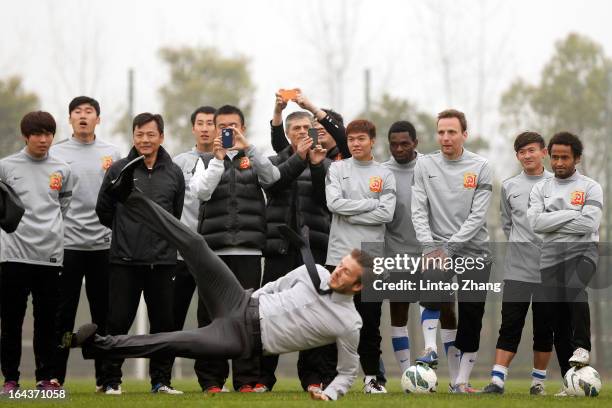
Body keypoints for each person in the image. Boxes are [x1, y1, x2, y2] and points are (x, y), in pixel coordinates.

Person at [67, 162, 364, 401]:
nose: (338, 271)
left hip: (240, 339)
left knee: (167, 341)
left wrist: (330, 394)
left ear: (358, 286)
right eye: (341, 265)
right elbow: (278, 285)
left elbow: (348, 371)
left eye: (346, 273)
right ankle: (129, 196)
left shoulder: (348, 322)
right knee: (195, 243)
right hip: (240, 300)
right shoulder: (319, 273)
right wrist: (252, 298)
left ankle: (98, 345)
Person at [189, 105, 280, 392]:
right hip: (212, 253)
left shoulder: (253, 158)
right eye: (223, 126)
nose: (228, 131)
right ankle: (211, 380)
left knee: (247, 318)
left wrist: (248, 148)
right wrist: (218, 160)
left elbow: (273, 178)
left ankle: (245, 380)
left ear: (242, 127)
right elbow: (201, 192)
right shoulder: (205, 161)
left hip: (249, 253)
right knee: (211, 317)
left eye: (234, 126)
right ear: (215, 130)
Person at [95, 113, 185, 395]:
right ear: (133, 136)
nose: (145, 140)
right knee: (118, 321)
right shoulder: (119, 169)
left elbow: (175, 213)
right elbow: (103, 210)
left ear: (161, 136)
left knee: (164, 325)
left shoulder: (174, 172)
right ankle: (111, 381)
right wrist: (126, 230)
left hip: (163, 261)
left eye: (150, 134)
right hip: (124, 260)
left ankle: (161, 381)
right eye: (139, 134)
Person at [411, 109, 493, 393]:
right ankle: (430, 349)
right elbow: (418, 209)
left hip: (475, 252)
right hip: (435, 250)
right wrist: (429, 247)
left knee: (472, 315)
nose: (445, 137)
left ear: (464, 135)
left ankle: (461, 382)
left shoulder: (481, 166)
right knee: (432, 293)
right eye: (441, 132)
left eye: (452, 132)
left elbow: (477, 216)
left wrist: (449, 248)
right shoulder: (424, 165)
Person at [49, 96, 122, 391]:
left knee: (102, 316)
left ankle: (105, 380)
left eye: (88, 112)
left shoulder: (112, 153)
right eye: (77, 112)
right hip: (67, 246)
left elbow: (119, 198)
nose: (83, 116)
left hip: (103, 246)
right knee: (62, 315)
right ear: (70, 119)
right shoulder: (56, 154)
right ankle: (54, 376)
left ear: (98, 119)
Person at [0, 111, 73, 393]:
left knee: (47, 323)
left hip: (50, 256)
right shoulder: (5, 167)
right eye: (37, 134)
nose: (43, 140)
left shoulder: (63, 169)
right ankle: (10, 380)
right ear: (25, 136)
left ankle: (45, 379)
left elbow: (61, 208)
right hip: (13, 255)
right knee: (11, 323)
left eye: (48, 134)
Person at [526, 132, 602, 397]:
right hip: (550, 259)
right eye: (555, 157)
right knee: (557, 322)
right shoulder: (540, 189)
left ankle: (582, 347)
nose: (558, 162)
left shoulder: (591, 187)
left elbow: (589, 224)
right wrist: (572, 214)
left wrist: (553, 220)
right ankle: (570, 381)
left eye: (565, 157)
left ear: (577, 158)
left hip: (584, 252)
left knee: (574, 287)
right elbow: (535, 224)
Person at [261, 104, 331, 392]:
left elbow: (325, 199)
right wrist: (299, 159)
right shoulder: (273, 161)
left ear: (314, 132)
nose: (302, 132)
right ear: (288, 135)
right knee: (269, 311)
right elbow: (274, 187)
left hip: (313, 249)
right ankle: (263, 378)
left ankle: (312, 378)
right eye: (296, 129)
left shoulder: (326, 164)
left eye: (306, 128)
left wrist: (314, 163)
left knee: (313, 312)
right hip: (280, 248)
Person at [325, 119, 396, 394]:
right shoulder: (337, 168)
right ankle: (335, 377)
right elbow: (333, 204)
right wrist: (370, 204)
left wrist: (349, 210)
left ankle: (372, 378)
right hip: (339, 256)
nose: (355, 144)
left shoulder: (385, 174)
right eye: (351, 139)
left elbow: (386, 214)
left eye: (361, 139)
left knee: (370, 323)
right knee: (335, 321)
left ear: (372, 141)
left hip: (372, 259)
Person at [482, 132, 554, 395]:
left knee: (545, 328)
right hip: (517, 270)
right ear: (517, 156)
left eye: (531, 150)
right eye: (522, 152)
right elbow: (507, 223)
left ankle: (538, 383)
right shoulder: (510, 186)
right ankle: (497, 380)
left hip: (550, 271)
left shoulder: (557, 183)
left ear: (543, 152)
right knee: (510, 325)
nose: (527, 156)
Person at [170, 106, 216, 390]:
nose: (205, 128)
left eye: (210, 123)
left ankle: (210, 380)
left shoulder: (230, 160)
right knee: (172, 315)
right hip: (182, 252)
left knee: (210, 318)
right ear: (192, 128)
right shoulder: (178, 163)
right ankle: (161, 378)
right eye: (200, 123)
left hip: (214, 254)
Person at [381, 121, 422, 375]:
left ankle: (454, 377)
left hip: (431, 253)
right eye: (394, 144)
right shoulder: (382, 171)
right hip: (396, 253)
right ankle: (408, 373)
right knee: (398, 314)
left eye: (404, 143)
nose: (399, 148)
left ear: (415, 143)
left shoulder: (430, 167)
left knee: (444, 310)